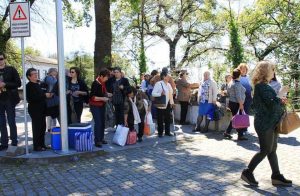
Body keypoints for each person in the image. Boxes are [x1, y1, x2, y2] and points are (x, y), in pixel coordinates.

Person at [241, 61, 292, 187]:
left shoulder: (265, 86)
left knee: (272, 150)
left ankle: (276, 176)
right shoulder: (261, 86)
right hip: (265, 124)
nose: (274, 72)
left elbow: (272, 103)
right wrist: (280, 95)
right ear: (266, 72)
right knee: (265, 150)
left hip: (271, 122)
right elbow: (272, 104)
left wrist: (281, 100)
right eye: (272, 70)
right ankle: (247, 172)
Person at [26, 68, 52, 151]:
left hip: (42, 108)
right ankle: (37, 146)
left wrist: (48, 95)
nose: (36, 75)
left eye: (36, 73)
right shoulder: (28, 86)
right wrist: (45, 95)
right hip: (35, 109)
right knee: (37, 128)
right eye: (33, 74)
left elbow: (41, 95)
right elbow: (31, 99)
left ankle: (42, 144)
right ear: (29, 76)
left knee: (42, 127)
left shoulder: (38, 84)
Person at [0, 52, 21, 150]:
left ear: (4, 59)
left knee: (11, 121)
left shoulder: (11, 69)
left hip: (9, 98)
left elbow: (18, 83)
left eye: (1, 59)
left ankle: (14, 142)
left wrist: (5, 84)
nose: (0, 61)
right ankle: (4, 143)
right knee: (1, 122)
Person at [89, 68, 112, 148]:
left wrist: (107, 94)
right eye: (106, 77)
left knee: (102, 122)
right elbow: (92, 97)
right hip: (95, 106)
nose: (107, 79)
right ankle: (97, 141)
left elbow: (102, 93)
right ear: (101, 76)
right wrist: (103, 98)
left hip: (101, 105)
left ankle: (101, 138)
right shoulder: (95, 83)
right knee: (98, 123)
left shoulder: (102, 83)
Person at [223, 69, 248, 140]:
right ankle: (240, 135)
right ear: (239, 75)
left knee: (235, 118)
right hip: (236, 103)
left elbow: (228, 93)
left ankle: (227, 132)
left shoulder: (231, 82)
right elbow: (238, 95)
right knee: (238, 118)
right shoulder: (236, 83)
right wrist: (241, 104)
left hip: (232, 102)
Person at [152, 71, 174, 137]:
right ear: (164, 77)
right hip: (160, 104)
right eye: (168, 76)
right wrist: (160, 94)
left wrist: (172, 103)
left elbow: (171, 94)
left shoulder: (169, 84)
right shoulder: (158, 84)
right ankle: (160, 133)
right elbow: (153, 93)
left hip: (167, 104)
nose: (169, 77)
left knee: (168, 118)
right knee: (160, 119)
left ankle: (167, 132)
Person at [43, 68, 59, 132]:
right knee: (51, 114)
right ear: (52, 72)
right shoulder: (50, 78)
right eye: (56, 71)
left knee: (51, 115)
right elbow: (54, 85)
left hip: (51, 99)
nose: (57, 72)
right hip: (50, 99)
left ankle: (51, 127)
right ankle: (51, 128)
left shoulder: (48, 78)